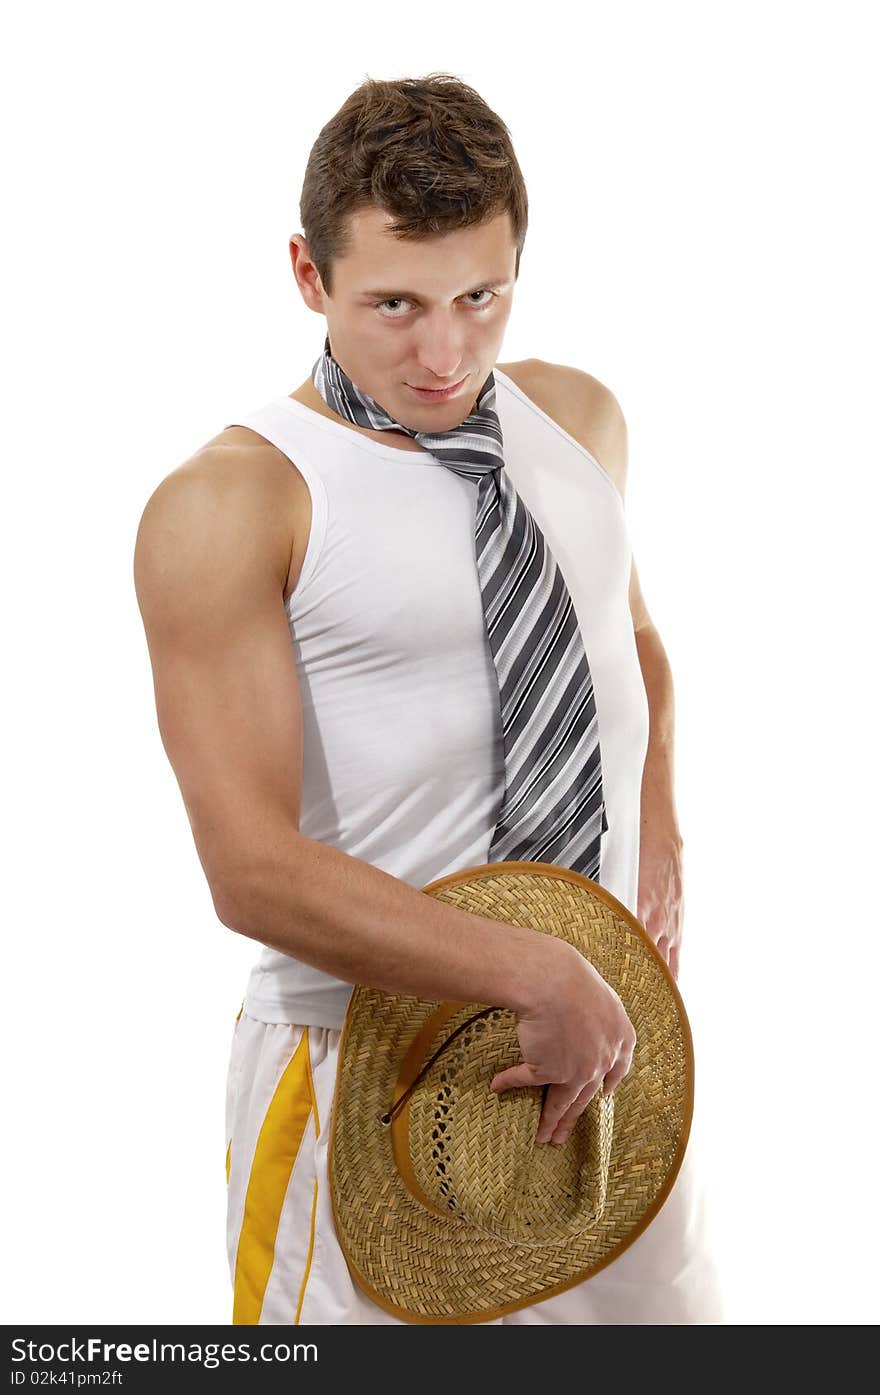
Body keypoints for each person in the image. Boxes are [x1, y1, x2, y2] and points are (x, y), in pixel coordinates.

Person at [134, 72, 723, 1324]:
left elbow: (634, 644)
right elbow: (249, 868)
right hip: (368, 1066)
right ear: (307, 273)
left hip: (608, 1050)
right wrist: (531, 972)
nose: (444, 353)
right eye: (392, 304)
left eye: (480, 297)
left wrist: (658, 835)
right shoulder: (237, 500)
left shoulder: (575, 420)